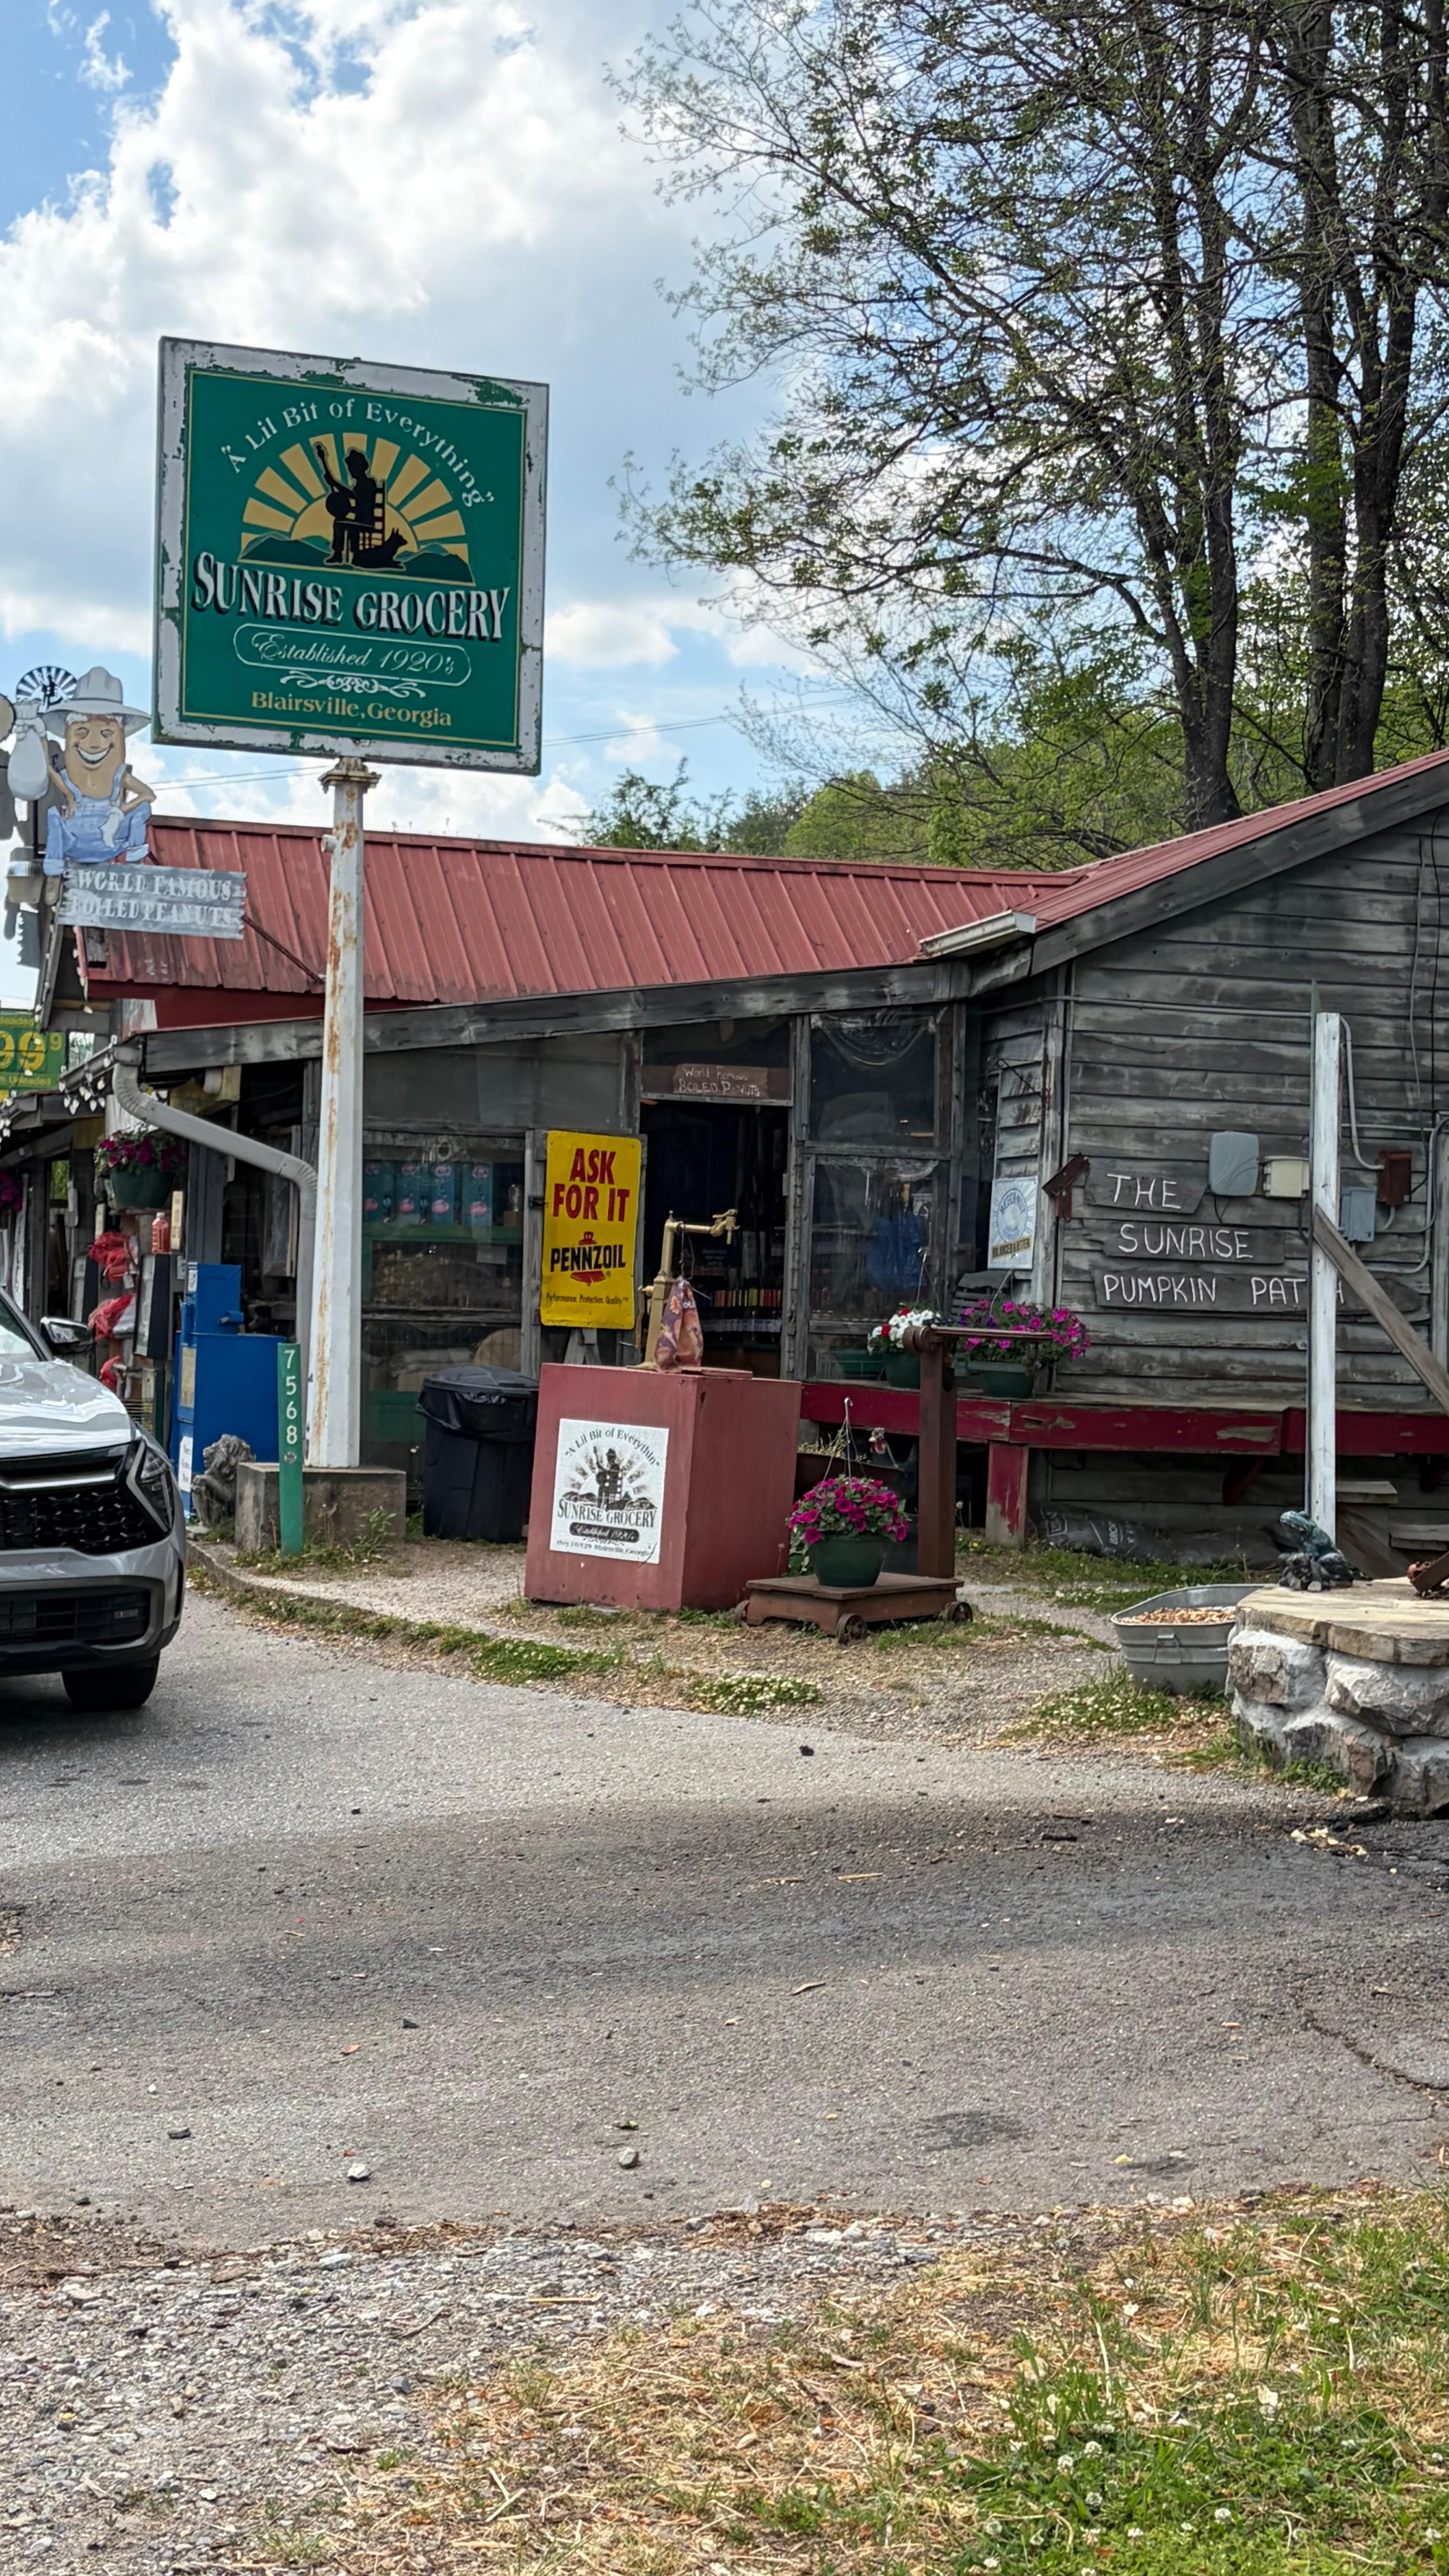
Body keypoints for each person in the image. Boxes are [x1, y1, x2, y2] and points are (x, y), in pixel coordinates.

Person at [41, 669, 153, 875]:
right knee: (53, 816)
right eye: (82, 731)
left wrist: (121, 812)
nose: (94, 744)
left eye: (106, 733)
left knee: (144, 809)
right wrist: (39, 740)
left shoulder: (120, 777)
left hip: (112, 843)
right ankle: (54, 871)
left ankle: (136, 859)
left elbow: (149, 795)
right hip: (75, 842)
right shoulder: (70, 781)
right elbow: (52, 773)